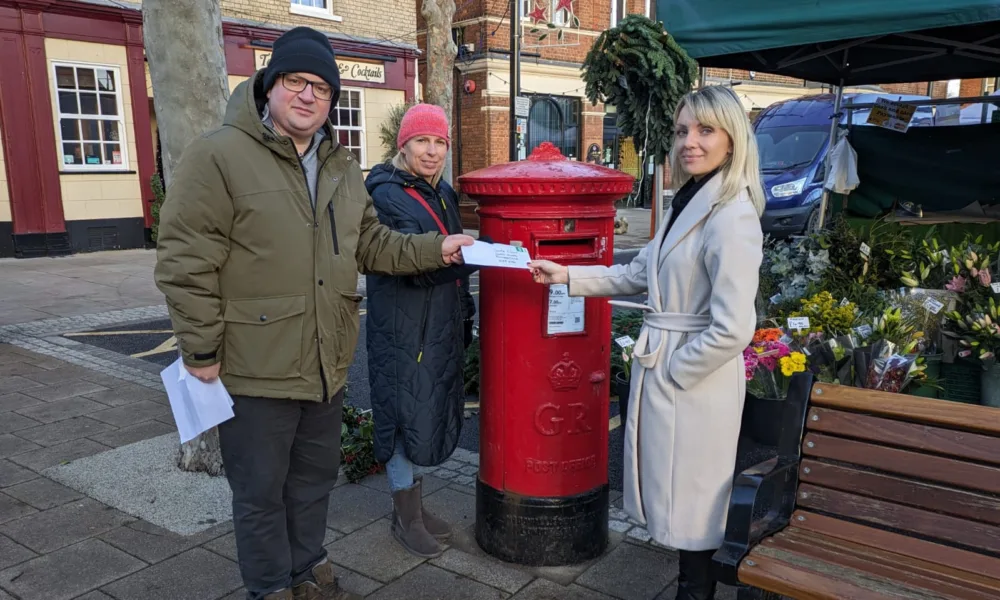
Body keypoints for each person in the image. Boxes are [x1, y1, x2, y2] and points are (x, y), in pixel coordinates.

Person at [153, 26, 474, 600]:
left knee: (312, 482)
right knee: (259, 492)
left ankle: (307, 572)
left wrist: (437, 247)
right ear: (270, 84)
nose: (308, 96)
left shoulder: (341, 167)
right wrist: (200, 351)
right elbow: (185, 260)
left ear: (331, 101)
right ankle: (272, 587)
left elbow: (372, 244)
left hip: (325, 360)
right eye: (296, 81)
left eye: (322, 88)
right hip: (254, 364)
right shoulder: (218, 155)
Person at [528, 84, 765, 600]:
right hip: (670, 365)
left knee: (696, 507)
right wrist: (566, 275)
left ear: (733, 139)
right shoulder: (689, 201)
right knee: (681, 502)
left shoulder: (732, 215)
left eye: (705, 130)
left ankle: (694, 593)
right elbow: (638, 272)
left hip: (693, 380)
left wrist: (677, 372)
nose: (690, 142)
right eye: (682, 131)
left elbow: (733, 327)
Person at [363, 104, 478, 559]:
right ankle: (404, 517)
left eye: (439, 143)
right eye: (422, 142)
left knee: (423, 412)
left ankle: (414, 506)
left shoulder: (442, 192)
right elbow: (412, 261)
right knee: (400, 416)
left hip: (436, 325)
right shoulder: (386, 194)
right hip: (403, 328)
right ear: (403, 145)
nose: (431, 151)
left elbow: (455, 261)